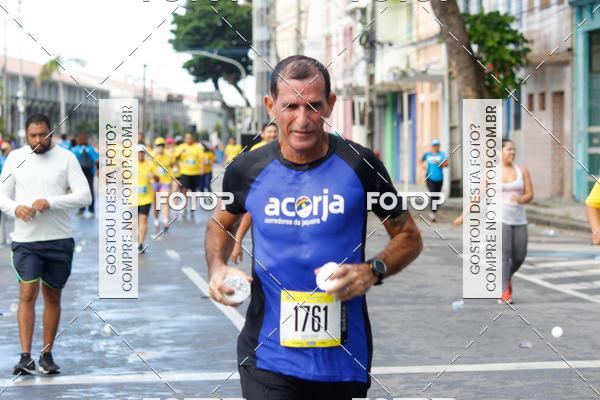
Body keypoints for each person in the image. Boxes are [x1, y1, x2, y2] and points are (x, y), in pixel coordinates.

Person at [205, 55, 423, 400]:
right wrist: (217, 267)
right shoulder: (247, 169)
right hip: (267, 354)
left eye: (313, 106)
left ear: (330, 104)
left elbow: (409, 236)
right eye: (290, 106)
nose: (303, 120)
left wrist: (373, 270)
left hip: (343, 358)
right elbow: (220, 223)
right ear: (270, 106)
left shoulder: (360, 165)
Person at [0, 114, 91, 375]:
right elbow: (1, 195)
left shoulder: (66, 158)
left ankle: (47, 355)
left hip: (59, 240)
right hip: (26, 241)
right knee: (27, 294)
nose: (39, 139)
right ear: (26, 135)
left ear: (51, 133)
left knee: (52, 297)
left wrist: (51, 202)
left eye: (43, 134)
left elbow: (84, 196)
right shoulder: (15, 158)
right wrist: (15, 208)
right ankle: (25, 357)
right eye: (33, 135)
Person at [453, 138, 533, 304]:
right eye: (509, 149)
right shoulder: (491, 173)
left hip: (519, 219)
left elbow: (530, 194)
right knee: (504, 254)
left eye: (514, 149)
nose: (512, 152)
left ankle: (504, 278)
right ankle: (504, 291)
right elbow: (477, 196)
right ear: (499, 152)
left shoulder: (522, 170)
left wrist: (520, 199)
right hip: (498, 218)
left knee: (519, 256)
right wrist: (463, 216)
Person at [230, 123, 279, 264]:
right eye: (269, 132)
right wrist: (238, 243)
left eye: (274, 131)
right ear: (262, 134)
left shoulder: (285, 147)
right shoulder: (256, 150)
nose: (272, 134)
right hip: (262, 193)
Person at [174, 133, 204, 219]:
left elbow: (201, 158)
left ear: (192, 139)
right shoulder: (182, 147)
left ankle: (192, 208)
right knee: (184, 190)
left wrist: (202, 168)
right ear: (185, 139)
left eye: (190, 138)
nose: (188, 139)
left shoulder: (197, 147)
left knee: (194, 191)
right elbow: (175, 157)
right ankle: (184, 208)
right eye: (187, 138)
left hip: (195, 173)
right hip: (185, 172)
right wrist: (179, 155)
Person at [71, 133, 99, 219]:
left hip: (79, 173)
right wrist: (98, 170)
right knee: (90, 191)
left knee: (80, 191)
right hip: (90, 172)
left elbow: (71, 162)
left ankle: (81, 210)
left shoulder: (75, 149)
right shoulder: (91, 149)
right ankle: (91, 210)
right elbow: (97, 160)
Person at [421, 139, 448, 222]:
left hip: (439, 178)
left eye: (437, 145)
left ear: (439, 146)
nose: (435, 147)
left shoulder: (442, 154)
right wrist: (423, 165)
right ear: (432, 146)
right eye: (434, 145)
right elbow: (421, 161)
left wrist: (439, 163)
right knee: (433, 194)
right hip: (429, 178)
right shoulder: (427, 154)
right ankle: (432, 213)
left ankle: (434, 212)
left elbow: (446, 164)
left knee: (437, 196)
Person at [152, 137, 174, 232]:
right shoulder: (152, 154)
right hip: (154, 182)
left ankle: (165, 221)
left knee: (165, 201)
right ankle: (156, 219)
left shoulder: (168, 155)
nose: (160, 147)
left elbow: (172, 165)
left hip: (165, 181)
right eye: (158, 145)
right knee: (156, 204)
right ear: (156, 146)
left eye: (162, 145)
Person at [137, 144, 155, 253]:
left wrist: (153, 177)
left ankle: (140, 243)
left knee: (143, 220)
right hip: (132, 198)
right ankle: (136, 239)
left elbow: (156, 178)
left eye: (142, 152)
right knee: (132, 223)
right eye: (139, 152)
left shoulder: (149, 164)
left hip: (146, 198)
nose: (140, 155)